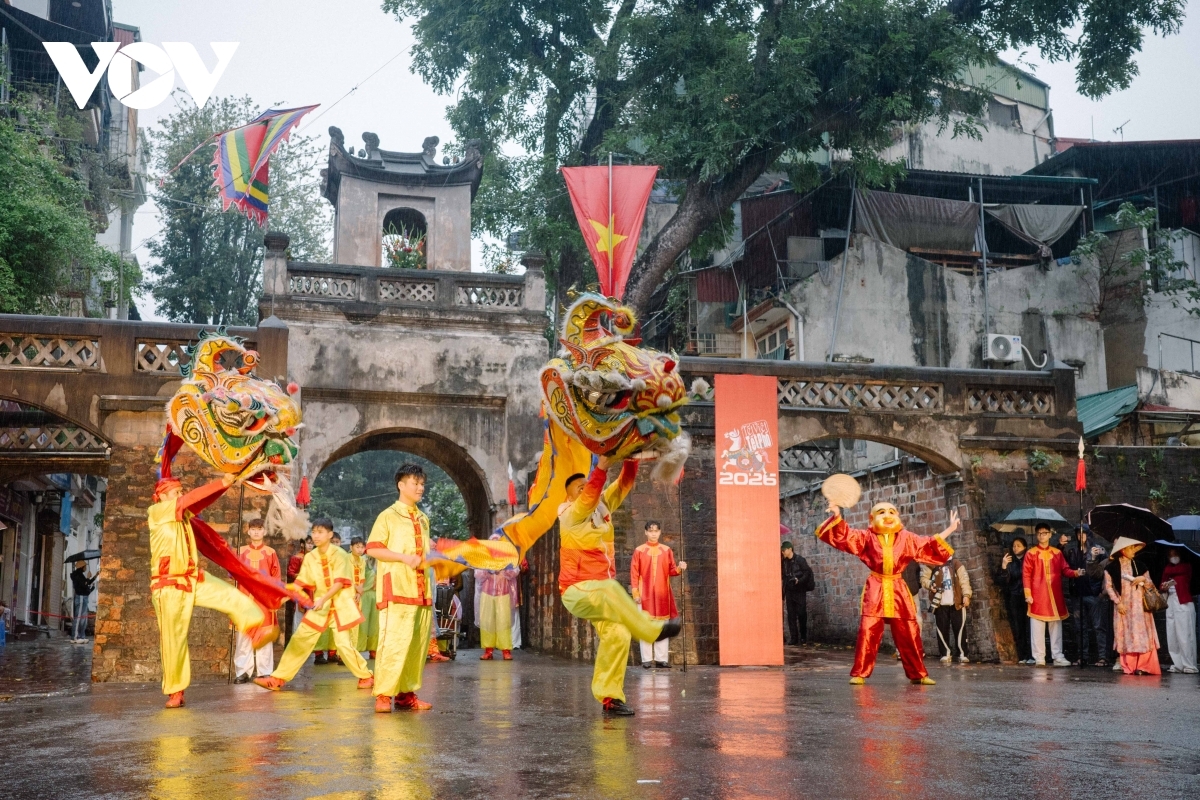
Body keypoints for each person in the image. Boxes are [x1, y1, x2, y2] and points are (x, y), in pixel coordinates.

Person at [557, 457, 679, 716]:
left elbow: (624, 483)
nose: (587, 487)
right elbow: (589, 495)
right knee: (612, 588)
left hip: (601, 594)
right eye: (580, 487)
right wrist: (601, 466)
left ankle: (610, 698)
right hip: (577, 591)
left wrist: (630, 458)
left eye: (587, 484)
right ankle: (650, 631)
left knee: (619, 633)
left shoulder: (602, 507)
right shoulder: (569, 514)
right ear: (570, 498)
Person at [148, 474, 277, 708]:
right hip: (168, 587)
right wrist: (221, 482)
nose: (180, 494)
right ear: (162, 496)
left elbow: (197, 502)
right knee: (173, 641)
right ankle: (176, 691)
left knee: (232, 597)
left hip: (192, 579)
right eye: (176, 491)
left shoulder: (183, 515)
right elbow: (189, 500)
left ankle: (254, 628)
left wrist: (225, 483)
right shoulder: (156, 512)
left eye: (180, 491)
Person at [815, 500, 959, 685]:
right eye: (882, 512)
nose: (888, 516)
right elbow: (846, 536)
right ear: (872, 518)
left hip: (898, 587)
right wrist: (837, 515)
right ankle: (860, 672)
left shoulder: (906, 538)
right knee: (868, 629)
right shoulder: (867, 537)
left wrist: (950, 529)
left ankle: (918, 673)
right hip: (876, 586)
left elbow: (927, 543)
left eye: (892, 511)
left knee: (909, 630)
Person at [254, 518, 373, 692]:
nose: (316, 536)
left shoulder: (340, 554)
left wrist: (323, 599)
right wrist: (280, 592)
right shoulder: (310, 557)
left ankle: (366, 676)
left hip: (339, 605)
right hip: (320, 607)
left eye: (320, 532)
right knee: (300, 639)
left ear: (330, 534)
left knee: (343, 644)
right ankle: (278, 678)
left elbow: (339, 583)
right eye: (314, 532)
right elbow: (299, 584)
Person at [365, 464, 436, 713]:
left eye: (422, 483)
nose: (420, 487)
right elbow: (372, 549)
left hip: (421, 590)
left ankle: (407, 695)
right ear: (401, 485)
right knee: (393, 643)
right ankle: (383, 694)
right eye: (415, 483)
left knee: (417, 645)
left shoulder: (423, 518)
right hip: (396, 588)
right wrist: (404, 558)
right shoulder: (388, 516)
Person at [1023, 524, 1084, 667]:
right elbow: (1026, 575)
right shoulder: (1031, 553)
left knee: (1056, 627)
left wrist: (1076, 573)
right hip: (1038, 595)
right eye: (1039, 533)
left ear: (1050, 534)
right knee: (1037, 628)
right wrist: (1028, 593)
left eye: (1045, 533)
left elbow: (1065, 570)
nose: (1042, 536)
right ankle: (1039, 656)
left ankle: (1057, 655)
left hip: (1055, 595)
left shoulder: (1057, 553)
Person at [631, 521, 686, 667]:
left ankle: (662, 659)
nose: (653, 534)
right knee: (646, 625)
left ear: (660, 532)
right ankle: (647, 659)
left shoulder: (667, 550)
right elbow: (634, 574)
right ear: (646, 533)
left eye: (656, 531)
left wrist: (680, 568)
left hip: (662, 594)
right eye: (651, 531)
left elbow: (671, 570)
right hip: (645, 594)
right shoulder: (639, 551)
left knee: (663, 625)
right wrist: (635, 593)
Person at [1104, 537, 1162, 675]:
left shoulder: (1140, 565)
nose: (1134, 551)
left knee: (1142, 634)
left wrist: (1143, 579)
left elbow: (1151, 585)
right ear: (1123, 549)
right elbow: (1109, 587)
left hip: (1140, 607)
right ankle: (1129, 666)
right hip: (1123, 606)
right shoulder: (1111, 567)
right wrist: (1118, 602)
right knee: (1126, 634)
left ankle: (1144, 665)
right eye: (1131, 548)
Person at [233, 519, 281, 683]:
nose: (256, 532)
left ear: (264, 532)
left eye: (259, 529)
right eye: (253, 529)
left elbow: (276, 577)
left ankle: (264, 671)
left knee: (264, 634)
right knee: (244, 635)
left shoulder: (270, 552)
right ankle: (242, 671)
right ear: (248, 531)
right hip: (244, 598)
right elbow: (232, 572)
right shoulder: (241, 551)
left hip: (263, 600)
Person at [1064, 527, 1109, 667]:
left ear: (1089, 535)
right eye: (1078, 534)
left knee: (1098, 626)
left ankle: (1103, 657)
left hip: (1093, 593)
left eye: (1084, 533)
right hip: (1078, 593)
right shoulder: (1073, 551)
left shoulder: (1098, 549)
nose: (1081, 536)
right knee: (1079, 627)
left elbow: (1106, 568)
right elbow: (1063, 564)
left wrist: (1103, 590)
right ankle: (1082, 656)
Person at [920, 556, 972, 664]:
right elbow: (924, 579)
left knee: (960, 628)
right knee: (941, 628)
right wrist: (930, 585)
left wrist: (966, 595)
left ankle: (962, 653)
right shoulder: (932, 564)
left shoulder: (956, 563)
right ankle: (945, 653)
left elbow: (964, 580)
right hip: (940, 602)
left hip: (957, 601)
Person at [476, 553, 520, 661]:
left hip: (504, 593)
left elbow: (515, 571)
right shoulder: (484, 558)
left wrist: (503, 569)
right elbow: (477, 574)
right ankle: (488, 650)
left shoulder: (508, 557)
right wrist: (487, 570)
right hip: (487, 593)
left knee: (504, 622)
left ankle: (506, 651)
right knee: (487, 622)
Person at [1160, 548, 1197, 674]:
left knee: (1185, 634)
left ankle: (1189, 664)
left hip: (1184, 602)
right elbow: (1162, 583)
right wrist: (1164, 585)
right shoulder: (1167, 569)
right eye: (1170, 555)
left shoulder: (1186, 566)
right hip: (1171, 602)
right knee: (1172, 634)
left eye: (1175, 554)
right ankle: (1178, 664)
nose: (1173, 557)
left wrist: (1168, 575)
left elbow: (1175, 571)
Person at [999, 537, 1033, 664]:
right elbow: (1003, 581)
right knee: (1018, 627)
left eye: (1018, 545)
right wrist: (1004, 566)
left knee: (1029, 626)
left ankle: (1031, 655)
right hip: (1015, 595)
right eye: (1014, 546)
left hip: (1028, 595)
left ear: (1024, 547)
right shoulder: (1010, 561)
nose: (1015, 548)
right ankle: (1023, 655)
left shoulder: (1029, 559)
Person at [780, 541, 813, 646]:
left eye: (784, 550)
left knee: (802, 614)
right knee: (791, 615)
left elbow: (807, 573)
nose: (783, 552)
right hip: (789, 591)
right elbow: (783, 576)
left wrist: (799, 580)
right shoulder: (784, 562)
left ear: (790, 549)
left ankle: (803, 637)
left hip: (799, 591)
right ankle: (794, 638)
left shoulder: (800, 560)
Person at [351, 537, 379, 659]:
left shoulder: (382, 561)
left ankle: (374, 649)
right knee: (362, 623)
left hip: (377, 594)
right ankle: (356, 649)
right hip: (364, 594)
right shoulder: (362, 560)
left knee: (375, 624)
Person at [286, 537, 314, 642]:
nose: (310, 545)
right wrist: (302, 576)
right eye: (308, 543)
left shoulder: (316, 557)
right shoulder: (297, 557)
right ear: (303, 544)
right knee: (299, 616)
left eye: (312, 543)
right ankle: (298, 641)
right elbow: (290, 572)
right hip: (301, 590)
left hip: (313, 591)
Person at [69, 560, 97, 644]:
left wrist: (95, 577)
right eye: (85, 566)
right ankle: (75, 637)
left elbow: (86, 584)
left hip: (84, 597)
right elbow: (84, 584)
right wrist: (88, 578)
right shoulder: (77, 575)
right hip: (80, 597)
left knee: (83, 618)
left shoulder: (80, 575)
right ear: (82, 567)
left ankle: (82, 636)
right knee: (78, 618)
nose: (86, 568)